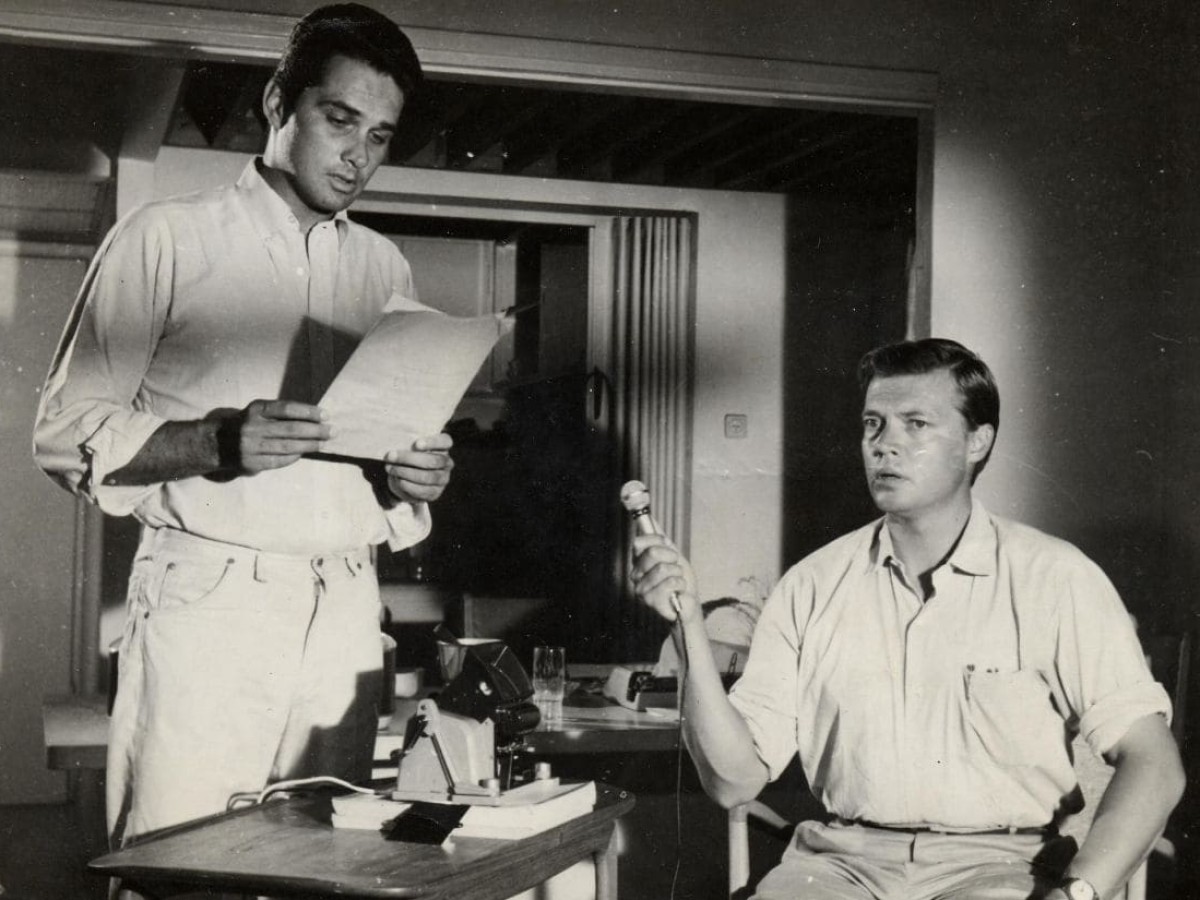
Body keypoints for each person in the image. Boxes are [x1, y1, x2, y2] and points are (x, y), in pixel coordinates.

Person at [33, 4, 453, 846]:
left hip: (346, 611)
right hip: (210, 604)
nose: (359, 155)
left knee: (324, 861)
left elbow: (385, 447)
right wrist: (215, 441)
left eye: (380, 136)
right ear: (277, 103)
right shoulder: (166, 239)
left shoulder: (384, 268)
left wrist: (414, 477)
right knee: (182, 861)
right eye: (340, 120)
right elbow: (63, 430)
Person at [630, 338, 1185, 900]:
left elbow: (1154, 763)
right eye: (873, 424)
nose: (884, 444)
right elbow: (735, 781)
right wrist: (687, 627)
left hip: (1002, 869)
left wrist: (1078, 893)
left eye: (915, 424)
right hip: (839, 868)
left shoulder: (1057, 578)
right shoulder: (811, 585)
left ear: (977, 441)